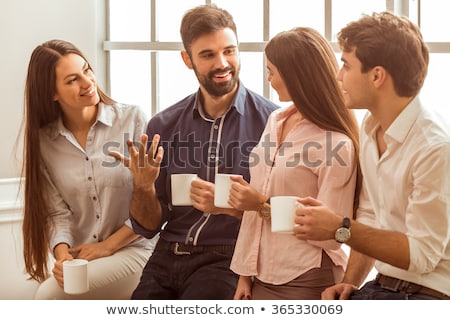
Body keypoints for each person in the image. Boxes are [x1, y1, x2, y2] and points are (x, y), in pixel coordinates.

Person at [111, 4, 279, 299]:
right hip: (165, 253)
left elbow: (281, 216)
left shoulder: (271, 123)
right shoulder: (164, 124)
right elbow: (148, 226)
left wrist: (232, 207)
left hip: (227, 258)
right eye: (208, 54)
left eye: (229, 50)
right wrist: (143, 187)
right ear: (187, 59)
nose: (223, 63)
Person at [295, 11, 450, 300]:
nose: (339, 76)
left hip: (428, 294)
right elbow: (369, 216)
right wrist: (350, 282)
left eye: (346, 65)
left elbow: (422, 255)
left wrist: (339, 229)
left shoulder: (435, 146)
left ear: (377, 76)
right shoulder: (370, 127)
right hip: (382, 284)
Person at [227, 27, 361, 300]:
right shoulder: (275, 120)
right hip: (260, 275)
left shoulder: (336, 144)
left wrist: (261, 205)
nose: (269, 79)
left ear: (296, 76)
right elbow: (258, 196)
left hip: (307, 277)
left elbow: (330, 234)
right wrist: (244, 275)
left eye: (272, 71)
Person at [21, 39, 158, 299]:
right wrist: (63, 259)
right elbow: (57, 213)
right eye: (72, 80)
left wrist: (107, 247)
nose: (87, 82)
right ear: (52, 92)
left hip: (136, 250)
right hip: (83, 257)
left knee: (49, 296)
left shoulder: (132, 119)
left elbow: (155, 200)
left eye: (87, 70)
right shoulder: (44, 143)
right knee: (57, 289)